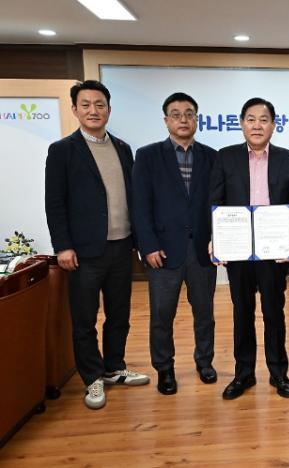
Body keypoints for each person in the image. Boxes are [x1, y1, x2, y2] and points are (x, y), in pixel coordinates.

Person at [45, 80, 149, 410]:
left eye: (100, 104)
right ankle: (92, 376)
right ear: (75, 109)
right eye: (86, 104)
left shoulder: (123, 148)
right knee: (85, 319)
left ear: (109, 109)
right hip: (84, 251)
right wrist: (63, 246)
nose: (94, 110)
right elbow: (55, 203)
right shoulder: (62, 150)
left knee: (119, 314)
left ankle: (114, 367)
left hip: (121, 246)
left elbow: (133, 197)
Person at [209, 97, 289, 400]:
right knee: (242, 313)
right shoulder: (225, 157)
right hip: (238, 249)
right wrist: (215, 237)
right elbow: (215, 201)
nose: (257, 125)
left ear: (274, 125)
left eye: (264, 120)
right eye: (251, 119)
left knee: (274, 312)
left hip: (274, 250)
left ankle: (279, 373)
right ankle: (244, 374)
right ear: (241, 124)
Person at [132, 92, 218, 396]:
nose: (183, 119)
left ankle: (204, 362)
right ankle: (164, 368)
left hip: (202, 251)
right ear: (166, 120)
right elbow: (139, 205)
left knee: (205, 313)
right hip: (163, 251)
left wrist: (219, 241)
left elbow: (218, 204)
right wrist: (147, 245)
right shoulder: (147, 156)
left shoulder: (211, 156)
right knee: (162, 314)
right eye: (176, 114)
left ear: (197, 119)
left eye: (189, 114)